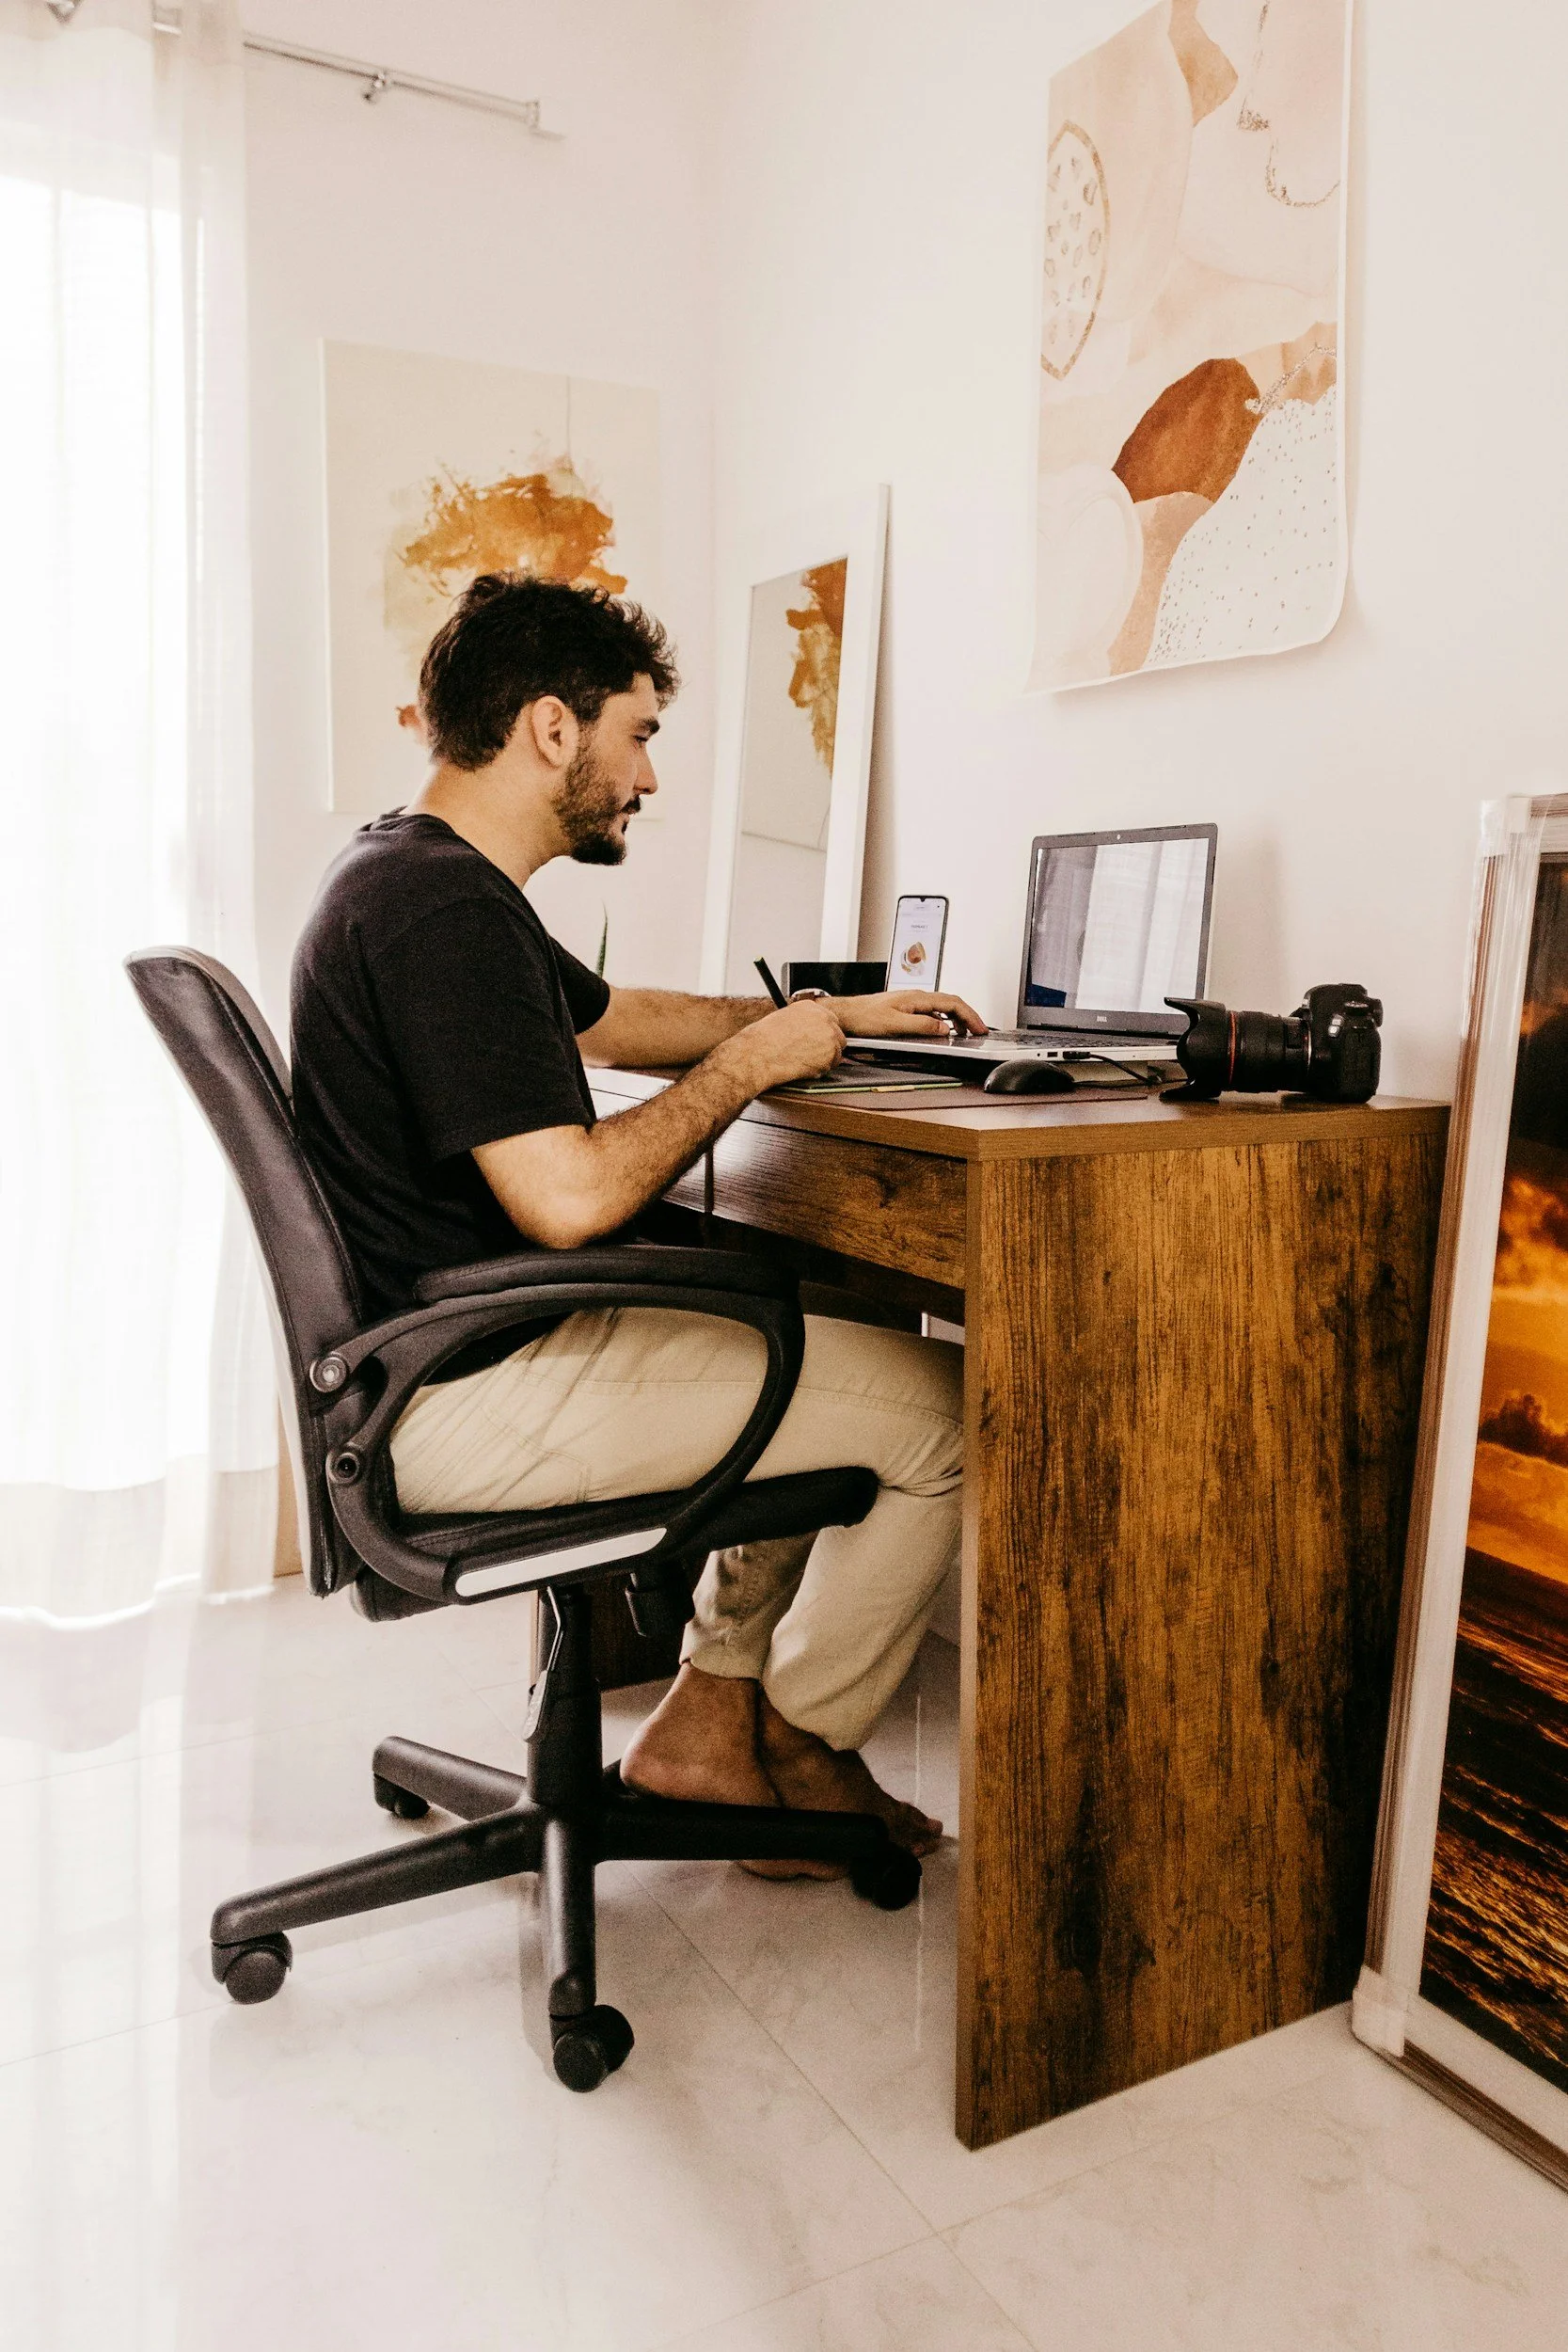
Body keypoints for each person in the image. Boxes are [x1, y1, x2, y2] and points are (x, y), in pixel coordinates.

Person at [290, 572, 986, 1867]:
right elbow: (567, 1201)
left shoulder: (414, 873)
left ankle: (711, 1720)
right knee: (948, 1412)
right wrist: (749, 1071)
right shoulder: (443, 910)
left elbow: (609, 1021)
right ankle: (803, 1746)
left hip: (419, 1370)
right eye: (642, 732)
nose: (650, 777)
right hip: (467, 1399)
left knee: (824, 1328)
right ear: (554, 729)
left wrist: (821, 1023)